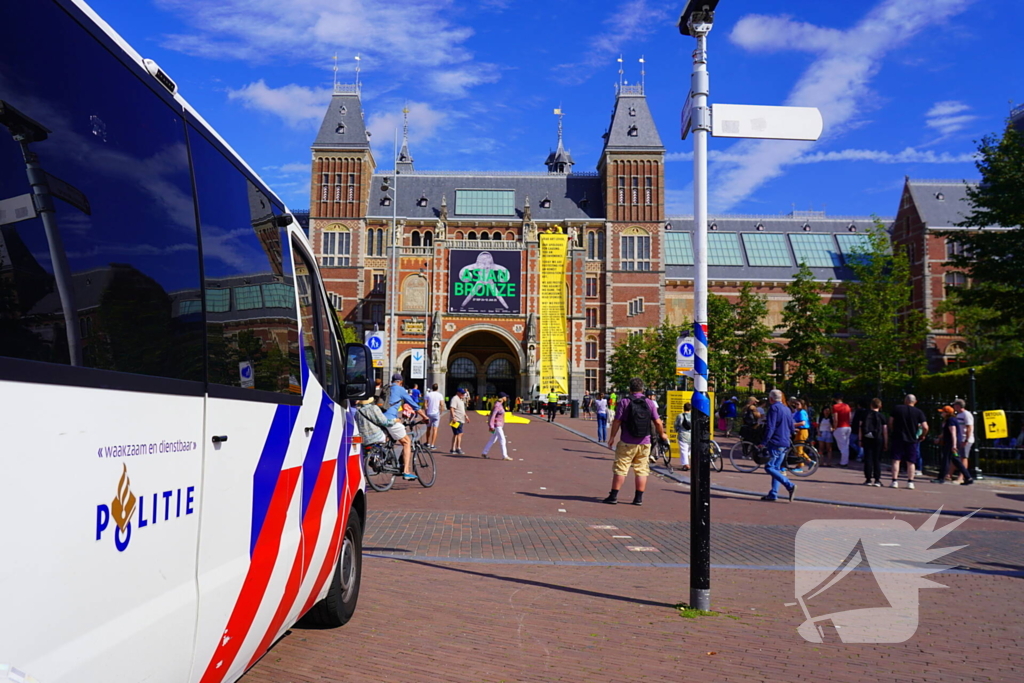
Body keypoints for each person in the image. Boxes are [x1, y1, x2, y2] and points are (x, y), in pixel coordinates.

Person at [603, 378, 667, 506]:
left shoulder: (624, 402)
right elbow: (658, 422)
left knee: (621, 468)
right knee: (642, 470)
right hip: (645, 441)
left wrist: (612, 437)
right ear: (643, 389)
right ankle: (638, 498)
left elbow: (617, 421)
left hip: (627, 441)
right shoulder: (650, 403)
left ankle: (614, 496)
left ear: (630, 389)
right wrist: (662, 434)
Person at [382, 372, 428, 480]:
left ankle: (384, 455)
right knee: (406, 442)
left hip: (380, 418)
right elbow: (413, 404)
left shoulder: (386, 388)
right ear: (401, 382)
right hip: (390, 419)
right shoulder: (400, 389)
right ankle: (406, 471)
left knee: (391, 438)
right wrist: (424, 416)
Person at [761, 389, 797, 502]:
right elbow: (792, 427)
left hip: (775, 441)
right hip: (785, 441)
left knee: (769, 467)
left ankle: (789, 485)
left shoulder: (773, 408)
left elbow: (770, 427)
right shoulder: (787, 409)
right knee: (776, 468)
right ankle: (773, 493)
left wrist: (764, 442)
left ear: (771, 399)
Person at [887, 394, 928, 489]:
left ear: (905, 400)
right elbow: (925, 426)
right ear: (915, 401)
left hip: (898, 436)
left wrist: (893, 430)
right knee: (911, 461)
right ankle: (910, 482)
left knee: (896, 460)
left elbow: (890, 422)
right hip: (912, 438)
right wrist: (922, 435)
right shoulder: (918, 412)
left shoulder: (897, 409)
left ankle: (894, 481)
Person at [936, 405, 974, 485]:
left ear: (947, 413)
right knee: (956, 460)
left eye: (943, 412)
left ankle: (941, 478)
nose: (941, 413)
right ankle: (968, 477)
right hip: (952, 443)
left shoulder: (951, 420)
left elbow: (953, 433)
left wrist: (954, 445)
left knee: (946, 460)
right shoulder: (951, 420)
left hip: (951, 443)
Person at [859, 398, 887, 486]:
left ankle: (868, 479)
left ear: (871, 405)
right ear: (880, 406)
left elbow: (860, 428)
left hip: (867, 437)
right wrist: (885, 442)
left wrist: (860, 439)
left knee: (868, 458)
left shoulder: (864, 415)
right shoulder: (882, 416)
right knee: (877, 459)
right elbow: (885, 431)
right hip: (878, 438)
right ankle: (877, 480)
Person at [482, 392, 512, 461]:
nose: (506, 398)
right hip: (497, 425)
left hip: (498, 425)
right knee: (502, 439)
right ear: (502, 398)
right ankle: (505, 455)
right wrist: (491, 425)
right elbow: (493, 415)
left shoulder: (499, 405)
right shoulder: (498, 405)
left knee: (493, 439)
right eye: (505, 397)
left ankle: (484, 452)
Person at [952, 399, 975, 484]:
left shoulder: (966, 414)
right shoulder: (958, 415)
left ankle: (962, 477)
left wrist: (966, 439)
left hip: (965, 439)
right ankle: (948, 474)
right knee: (956, 457)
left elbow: (969, 427)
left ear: (958, 406)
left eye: (955, 405)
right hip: (960, 439)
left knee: (963, 458)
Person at [831, 394, 853, 467]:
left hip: (840, 427)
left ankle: (843, 462)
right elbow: (850, 417)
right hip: (848, 426)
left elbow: (835, 419)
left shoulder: (835, 407)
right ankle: (844, 461)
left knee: (842, 446)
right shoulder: (847, 406)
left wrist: (834, 427)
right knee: (846, 444)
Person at [448, 387, 470, 454]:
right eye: (462, 393)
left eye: (463, 393)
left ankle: (452, 448)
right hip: (456, 419)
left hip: (461, 419)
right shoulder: (455, 399)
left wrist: (466, 416)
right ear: (458, 393)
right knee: (460, 433)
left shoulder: (461, 399)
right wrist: (453, 417)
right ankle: (458, 448)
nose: (463, 394)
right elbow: (452, 408)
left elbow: (462, 410)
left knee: (456, 434)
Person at [423, 383, 445, 450]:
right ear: (437, 388)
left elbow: (425, 404)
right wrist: (441, 411)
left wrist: (425, 412)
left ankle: (427, 442)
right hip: (436, 413)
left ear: (432, 388)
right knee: (435, 429)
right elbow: (442, 404)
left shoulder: (428, 394)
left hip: (429, 413)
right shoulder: (440, 395)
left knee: (428, 428)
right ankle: (432, 444)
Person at [673, 402, 692, 472]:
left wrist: (677, 430)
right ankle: (687, 461)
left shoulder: (680, 416)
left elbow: (676, 425)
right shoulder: (693, 416)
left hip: (683, 435)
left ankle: (686, 464)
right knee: (689, 450)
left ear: (683, 408)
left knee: (684, 450)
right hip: (692, 435)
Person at [791, 398, 810, 463]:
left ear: (802, 405)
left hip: (803, 431)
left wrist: (793, 425)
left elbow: (803, 423)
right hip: (799, 431)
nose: (796, 405)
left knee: (799, 448)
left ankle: (800, 465)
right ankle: (809, 461)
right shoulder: (798, 412)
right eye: (795, 404)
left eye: (798, 404)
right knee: (796, 448)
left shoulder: (801, 412)